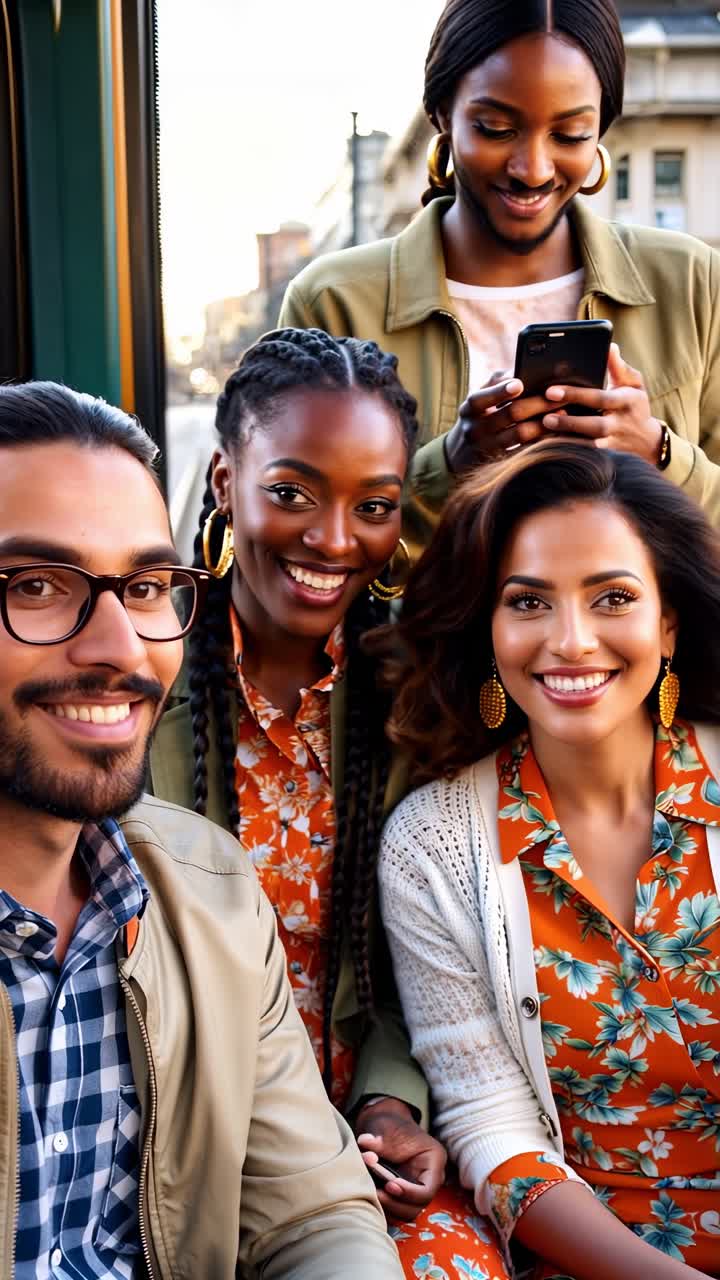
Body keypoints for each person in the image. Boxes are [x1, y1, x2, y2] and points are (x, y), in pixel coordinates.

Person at [0, 380, 405, 1280]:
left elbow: (311, 1214)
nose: (119, 646)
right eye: (35, 586)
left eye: (145, 587)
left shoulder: (208, 887)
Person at [149, 327, 505, 1276]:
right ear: (225, 482)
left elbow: (412, 966)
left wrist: (391, 1106)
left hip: (358, 1149)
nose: (334, 539)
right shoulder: (137, 685)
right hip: (177, 1153)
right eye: (292, 493)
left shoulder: (411, 702)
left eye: (373, 506)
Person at [378, 439, 720, 1279]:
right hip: (578, 1253)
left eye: (613, 598)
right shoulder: (432, 843)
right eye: (529, 602)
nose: (570, 641)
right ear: (489, 627)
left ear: (667, 621)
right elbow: (489, 1122)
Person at [279, 0, 720, 542]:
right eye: (495, 128)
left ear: (601, 128)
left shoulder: (694, 283)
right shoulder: (332, 302)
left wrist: (659, 452)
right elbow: (300, 540)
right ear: (442, 113)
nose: (532, 169)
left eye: (570, 134)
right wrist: (450, 465)